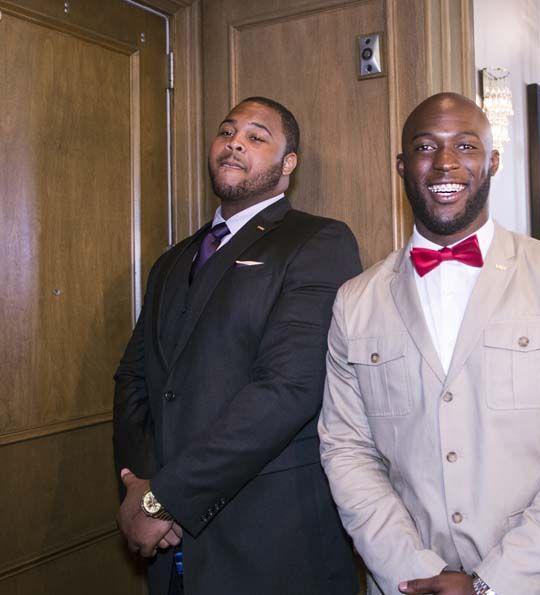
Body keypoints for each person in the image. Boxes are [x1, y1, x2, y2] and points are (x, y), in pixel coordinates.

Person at [318, 92, 540, 595]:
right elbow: (347, 452)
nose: (445, 162)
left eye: (465, 145)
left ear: (493, 161)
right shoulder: (355, 301)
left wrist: (492, 584)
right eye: (425, 146)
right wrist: (412, 570)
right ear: (402, 165)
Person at [113, 96, 361, 595]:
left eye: (256, 136)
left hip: (268, 545)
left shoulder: (318, 242)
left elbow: (288, 389)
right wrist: (140, 485)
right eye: (227, 132)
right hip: (169, 549)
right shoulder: (172, 260)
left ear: (288, 165)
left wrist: (166, 498)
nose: (235, 144)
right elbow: (135, 379)